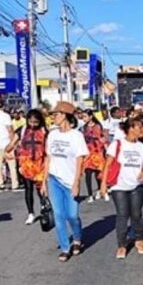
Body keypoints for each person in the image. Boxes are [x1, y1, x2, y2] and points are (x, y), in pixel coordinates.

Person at [42, 102, 88, 262]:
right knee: (59, 215)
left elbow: (80, 160)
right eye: (53, 115)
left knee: (72, 215)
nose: (54, 117)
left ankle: (77, 238)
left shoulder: (76, 136)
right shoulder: (52, 135)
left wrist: (76, 183)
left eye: (56, 114)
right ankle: (65, 247)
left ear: (66, 116)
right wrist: (44, 180)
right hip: (54, 179)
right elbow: (48, 158)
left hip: (70, 181)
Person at [101, 116, 143, 260]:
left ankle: (139, 239)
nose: (141, 130)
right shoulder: (117, 144)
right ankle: (122, 245)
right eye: (138, 127)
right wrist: (103, 183)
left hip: (136, 185)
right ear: (130, 129)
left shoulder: (142, 147)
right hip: (119, 185)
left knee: (136, 213)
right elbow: (108, 164)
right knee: (122, 214)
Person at [7, 110, 48, 225]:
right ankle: (31, 213)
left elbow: (49, 147)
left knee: (41, 189)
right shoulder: (22, 130)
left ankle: (44, 207)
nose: (33, 124)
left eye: (36, 122)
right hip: (26, 164)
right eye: (31, 122)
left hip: (40, 164)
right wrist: (7, 151)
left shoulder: (44, 131)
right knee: (28, 189)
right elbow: (12, 144)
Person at [0, 102, 18, 192]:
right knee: (11, 164)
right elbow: (10, 130)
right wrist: (13, 142)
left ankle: (0, 184)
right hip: (7, 143)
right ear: (4, 107)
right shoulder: (6, 116)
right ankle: (14, 184)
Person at [82, 109, 108, 203]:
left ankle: (100, 190)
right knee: (88, 175)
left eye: (85, 116)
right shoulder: (83, 128)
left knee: (98, 175)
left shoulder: (98, 126)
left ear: (90, 116)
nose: (83, 118)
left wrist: (106, 149)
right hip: (88, 155)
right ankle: (90, 195)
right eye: (83, 116)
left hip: (98, 153)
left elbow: (103, 138)